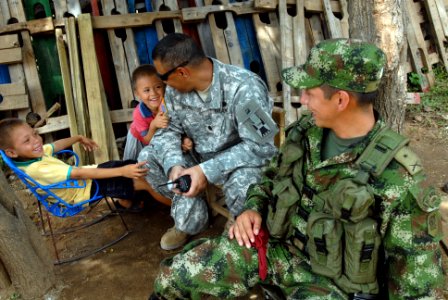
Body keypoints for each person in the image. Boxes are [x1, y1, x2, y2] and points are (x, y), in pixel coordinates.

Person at [149, 38, 445, 299]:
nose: (301, 100)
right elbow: (269, 178)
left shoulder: (399, 179)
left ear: (341, 100)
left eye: (309, 93)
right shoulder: (305, 133)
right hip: (277, 252)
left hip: (330, 286)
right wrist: (253, 207)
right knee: (174, 277)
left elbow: (419, 285)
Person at [138, 33, 278, 250]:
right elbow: (169, 130)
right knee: (147, 159)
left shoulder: (244, 87)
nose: (163, 84)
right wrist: (174, 165)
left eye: (163, 78)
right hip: (198, 156)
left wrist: (206, 171)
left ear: (182, 72)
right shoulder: (176, 91)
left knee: (246, 184)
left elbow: (261, 147)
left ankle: (238, 222)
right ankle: (192, 214)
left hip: (237, 163)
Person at [0, 118, 166, 211]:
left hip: (85, 180)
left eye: (35, 134)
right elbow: (79, 174)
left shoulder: (33, 155)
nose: (36, 140)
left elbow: (55, 145)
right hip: (84, 190)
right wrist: (122, 171)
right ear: (12, 152)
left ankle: (126, 202)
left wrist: (78, 138)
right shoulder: (37, 169)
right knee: (145, 180)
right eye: (27, 140)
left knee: (127, 165)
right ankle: (180, 216)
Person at [123, 64, 193, 161]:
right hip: (139, 139)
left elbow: (177, 128)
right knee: (133, 165)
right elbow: (146, 140)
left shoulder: (169, 106)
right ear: (137, 94)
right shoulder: (139, 113)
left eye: (158, 87)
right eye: (147, 90)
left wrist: (183, 139)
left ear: (164, 86)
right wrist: (153, 125)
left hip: (160, 140)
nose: (153, 93)